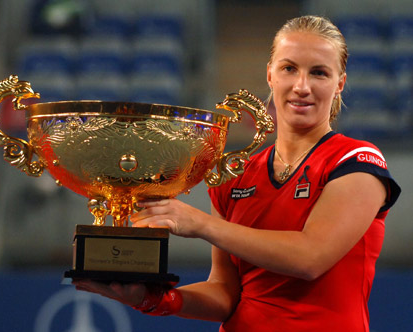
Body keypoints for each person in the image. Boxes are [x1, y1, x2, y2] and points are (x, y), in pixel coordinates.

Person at [73, 15, 401, 331]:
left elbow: (309, 258)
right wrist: (153, 299)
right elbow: (225, 293)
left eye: (319, 73)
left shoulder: (358, 160)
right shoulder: (238, 177)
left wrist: (201, 224)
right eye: (289, 68)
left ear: (339, 84)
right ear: (270, 75)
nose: (302, 86)